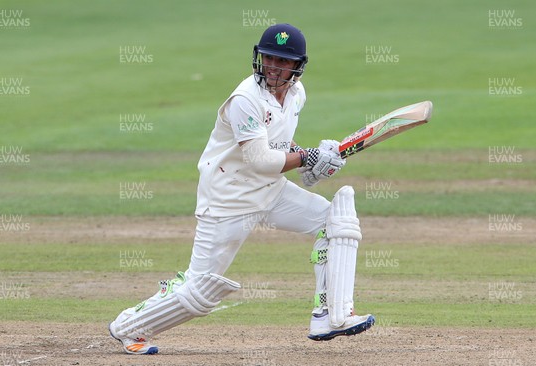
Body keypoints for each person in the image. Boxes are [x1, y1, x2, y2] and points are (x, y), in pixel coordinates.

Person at [109, 23, 375, 355]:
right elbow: (260, 160)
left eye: (283, 61)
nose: (274, 67)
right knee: (200, 289)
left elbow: (277, 142)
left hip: (271, 191)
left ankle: (330, 314)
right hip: (229, 199)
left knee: (335, 221)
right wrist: (308, 156)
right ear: (259, 58)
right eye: (269, 59)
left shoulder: (296, 94)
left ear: (297, 66)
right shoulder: (245, 100)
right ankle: (128, 326)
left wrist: (311, 159)